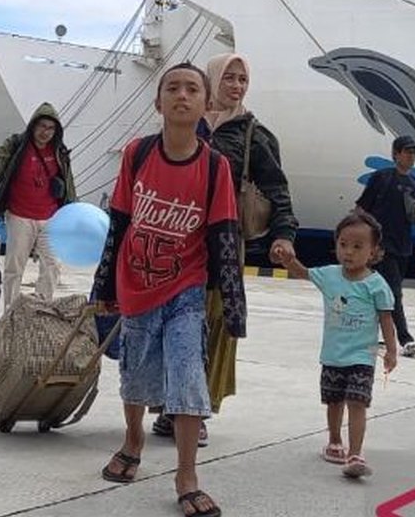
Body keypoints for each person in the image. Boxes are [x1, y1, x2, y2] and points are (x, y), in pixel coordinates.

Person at [92, 62, 243, 517]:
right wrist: (102, 284)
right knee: (136, 374)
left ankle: (187, 476)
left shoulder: (217, 168)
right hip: (135, 286)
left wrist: (234, 303)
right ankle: (133, 440)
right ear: (158, 102)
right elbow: (119, 220)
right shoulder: (137, 154)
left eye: (192, 88)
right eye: (172, 88)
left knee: (187, 374)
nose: (182, 95)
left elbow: (223, 234)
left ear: (207, 104)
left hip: (187, 290)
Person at [152, 53, 298, 447]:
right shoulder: (185, 124)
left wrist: (284, 234)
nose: (235, 86)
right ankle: (170, 404)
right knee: (171, 325)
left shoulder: (253, 134)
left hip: (223, 247)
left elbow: (277, 189)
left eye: (242, 80)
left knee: (213, 327)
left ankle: (197, 410)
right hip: (175, 239)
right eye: (229, 78)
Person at [275, 210, 397, 478]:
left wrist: (391, 349)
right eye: (343, 245)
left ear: (373, 251)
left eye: (357, 246)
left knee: (357, 402)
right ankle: (334, 441)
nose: (348, 252)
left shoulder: (376, 285)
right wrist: (289, 259)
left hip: (362, 356)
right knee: (333, 402)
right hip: (332, 355)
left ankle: (355, 453)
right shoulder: (329, 275)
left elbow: (386, 319)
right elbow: (302, 273)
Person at [0, 103, 76, 313]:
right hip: (20, 215)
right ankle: (11, 312)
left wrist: (73, 211)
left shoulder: (59, 151)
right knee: (15, 267)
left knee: (53, 265)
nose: (45, 132)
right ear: (33, 125)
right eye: (41, 126)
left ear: (56, 131)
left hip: (50, 216)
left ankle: (41, 309)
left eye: (50, 128)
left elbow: (69, 182)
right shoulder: (17, 145)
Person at [356, 135, 415, 358]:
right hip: (383, 247)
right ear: (396, 154)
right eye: (407, 152)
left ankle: (369, 335)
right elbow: (360, 209)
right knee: (393, 292)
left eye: (414, 152)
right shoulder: (382, 178)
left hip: (404, 244)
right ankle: (405, 339)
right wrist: (369, 240)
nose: (412, 156)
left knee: (381, 292)